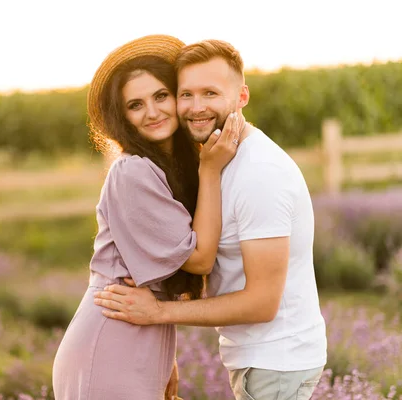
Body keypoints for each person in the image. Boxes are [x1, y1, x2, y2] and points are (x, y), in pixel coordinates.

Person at [94, 39, 327, 400]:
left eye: (211, 93)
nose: (196, 107)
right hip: (259, 360)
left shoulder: (258, 172)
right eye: (186, 94)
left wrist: (158, 314)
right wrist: (161, 349)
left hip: (276, 361)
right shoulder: (217, 161)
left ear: (242, 97)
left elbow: (262, 303)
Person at [52, 35, 242, 400]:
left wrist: (162, 355)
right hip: (113, 339)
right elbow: (199, 260)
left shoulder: (166, 167)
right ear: (122, 117)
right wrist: (212, 171)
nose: (152, 112)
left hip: (142, 332)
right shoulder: (132, 171)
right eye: (135, 105)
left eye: (160, 96)